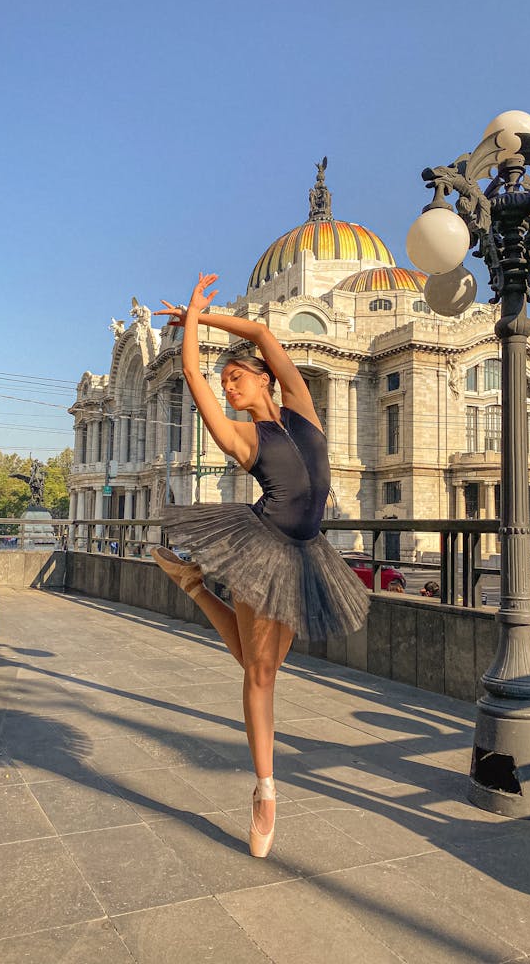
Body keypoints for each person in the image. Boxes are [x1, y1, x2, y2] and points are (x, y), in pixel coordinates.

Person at [150, 272, 368, 858]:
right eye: (226, 383)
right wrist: (191, 331)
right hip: (265, 548)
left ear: (266, 379)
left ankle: (195, 587)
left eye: (237, 377)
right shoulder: (242, 438)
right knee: (260, 674)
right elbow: (194, 374)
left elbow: (261, 332)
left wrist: (203, 310)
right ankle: (266, 791)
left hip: (308, 556)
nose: (229, 387)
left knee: (260, 662)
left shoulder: (302, 408)